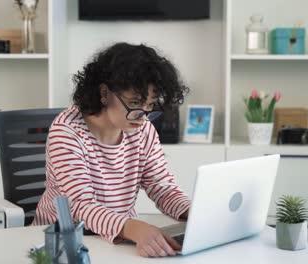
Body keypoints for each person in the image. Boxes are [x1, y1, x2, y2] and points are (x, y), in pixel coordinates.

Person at [33, 42, 191, 257]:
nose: (143, 115)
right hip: (63, 244)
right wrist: (134, 228)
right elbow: (80, 207)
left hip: (117, 239)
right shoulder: (67, 133)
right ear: (104, 93)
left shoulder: (142, 130)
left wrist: (194, 213)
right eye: (135, 102)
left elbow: (161, 187)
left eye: (150, 104)